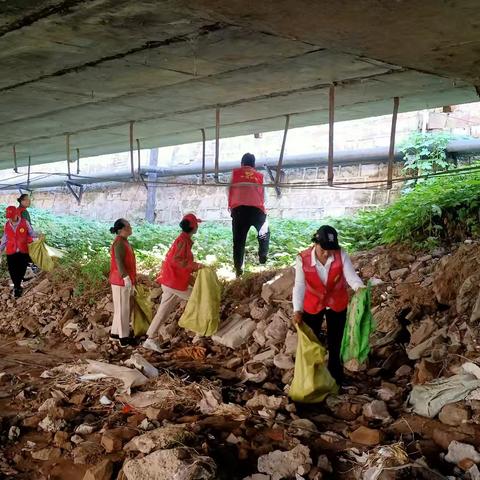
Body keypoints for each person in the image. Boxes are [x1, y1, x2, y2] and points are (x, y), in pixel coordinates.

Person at [292, 225, 365, 385]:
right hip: (312, 303)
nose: (326, 253)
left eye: (330, 249)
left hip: (337, 302)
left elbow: (351, 276)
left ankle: (335, 377)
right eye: (323, 249)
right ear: (315, 244)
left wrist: (360, 289)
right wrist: (297, 309)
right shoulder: (302, 259)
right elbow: (299, 285)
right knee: (311, 341)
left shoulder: (341, 254)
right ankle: (311, 378)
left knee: (336, 341)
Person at [143, 213, 203, 352]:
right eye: (197, 224)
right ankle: (199, 333)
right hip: (174, 282)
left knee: (163, 312)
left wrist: (192, 274)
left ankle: (150, 339)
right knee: (199, 300)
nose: (198, 227)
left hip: (170, 280)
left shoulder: (184, 239)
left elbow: (179, 262)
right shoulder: (183, 240)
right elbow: (177, 261)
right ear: (193, 226)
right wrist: (196, 266)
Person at [228, 152, 269, 277]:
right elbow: (264, 195)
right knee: (264, 233)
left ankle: (238, 269)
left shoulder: (235, 174)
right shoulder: (260, 176)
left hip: (239, 211)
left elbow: (229, 191)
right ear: (254, 165)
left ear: (242, 164)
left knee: (239, 242)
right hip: (257, 210)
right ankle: (262, 255)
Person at [109, 218, 136, 347]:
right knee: (123, 309)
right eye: (128, 226)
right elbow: (119, 262)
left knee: (121, 308)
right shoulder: (119, 243)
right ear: (122, 229)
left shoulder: (124, 242)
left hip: (123, 279)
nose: (130, 228)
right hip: (120, 280)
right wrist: (125, 277)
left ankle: (115, 333)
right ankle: (123, 337)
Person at [0, 206, 38, 298]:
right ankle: (17, 287)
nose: (10, 218)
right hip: (11, 250)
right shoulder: (7, 225)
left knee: (21, 269)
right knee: (12, 270)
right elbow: (5, 238)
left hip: (23, 250)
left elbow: (32, 233)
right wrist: (0, 249)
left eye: (12, 216)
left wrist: (37, 238)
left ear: (16, 214)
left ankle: (18, 285)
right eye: (9, 216)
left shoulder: (25, 222)